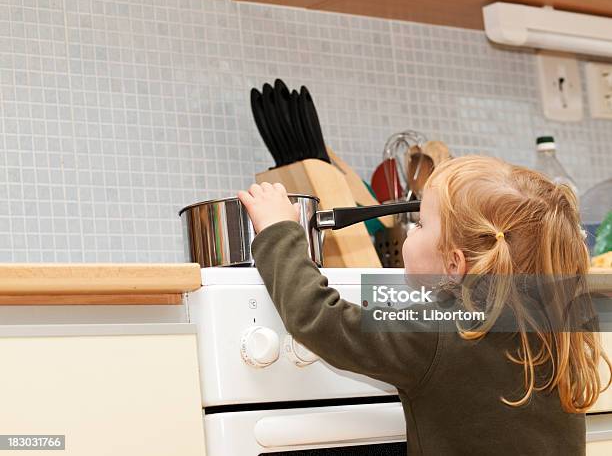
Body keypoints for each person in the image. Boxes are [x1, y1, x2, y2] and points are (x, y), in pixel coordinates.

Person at [237, 155, 611, 455]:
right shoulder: (556, 326)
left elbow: (319, 318)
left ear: (453, 263)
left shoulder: (436, 331)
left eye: (419, 224)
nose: (411, 230)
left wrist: (278, 232)